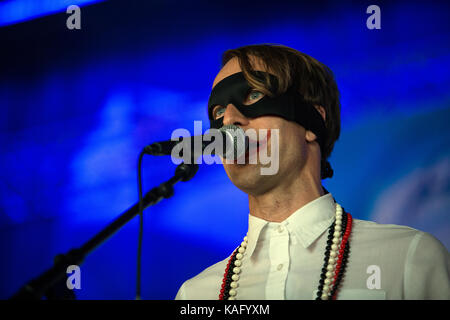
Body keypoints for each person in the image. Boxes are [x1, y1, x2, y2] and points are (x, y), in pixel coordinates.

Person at [175, 44, 450, 300]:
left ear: (312, 121)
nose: (229, 121)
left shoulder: (409, 260)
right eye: (218, 111)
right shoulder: (197, 294)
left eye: (254, 94)